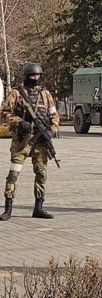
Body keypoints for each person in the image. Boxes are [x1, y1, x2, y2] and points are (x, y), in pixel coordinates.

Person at [0, 63, 60, 221]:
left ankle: (38, 207)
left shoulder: (45, 94)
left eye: (38, 75)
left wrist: (52, 129)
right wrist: (19, 122)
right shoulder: (16, 93)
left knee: (41, 173)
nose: (36, 78)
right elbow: (5, 113)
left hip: (40, 140)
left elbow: (54, 115)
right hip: (22, 139)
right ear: (26, 76)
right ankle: (8, 208)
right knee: (14, 172)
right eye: (33, 76)